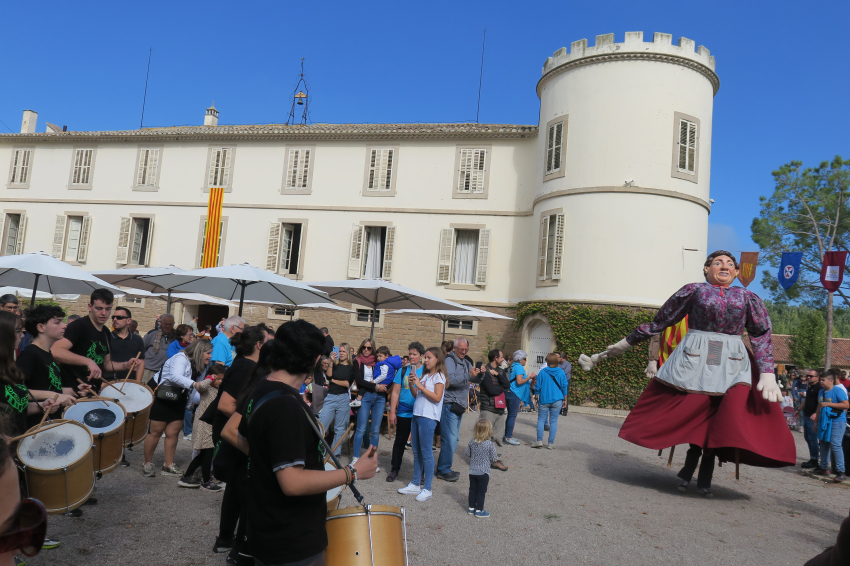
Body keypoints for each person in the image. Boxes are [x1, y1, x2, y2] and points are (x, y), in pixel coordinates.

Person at [585, 250, 795, 497]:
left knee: (723, 423)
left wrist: (768, 373)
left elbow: (761, 335)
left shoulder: (748, 297)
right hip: (696, 360)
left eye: (730, 264)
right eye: (717, 263)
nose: (724, 266)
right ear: (706, 269)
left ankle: (701, 480)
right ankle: (687, 474)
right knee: (693, 417)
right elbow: (659, 323)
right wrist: (623, 344)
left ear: (737, 272)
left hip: (732, 363)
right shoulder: (694, 290)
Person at [233, 320, 378, 566]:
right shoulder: (286, 407)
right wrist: (352, 472)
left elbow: (242, 438)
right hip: (291, 539)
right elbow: (292, 482)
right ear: (312, 360)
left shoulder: (261, 389)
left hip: (267, 528)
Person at [211, 327, 266, 561]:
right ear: (260, 345)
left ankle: (225, 540)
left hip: (232, 434)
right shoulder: (246, 367)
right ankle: (239, 549)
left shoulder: (246, 365)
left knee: (235, 489)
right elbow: (225, 405)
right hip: (233, 435)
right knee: (245, 490)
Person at [142, 339, 213, 477]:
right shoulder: (180, 358)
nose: (210, 356)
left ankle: (168, 465)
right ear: (199, 352)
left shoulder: (201, 366)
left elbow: (196, 388)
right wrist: (195, 385)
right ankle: (147, 463)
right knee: (155, 431)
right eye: (208, 353)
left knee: (173, 432)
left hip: (178, 397)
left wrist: (192, 403)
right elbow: (175, 377)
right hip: (162, 394)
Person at [52, 289, 138, 392]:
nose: (103, 313)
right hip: (73, 390)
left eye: (108, 309)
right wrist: (88, 361)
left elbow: (105, 363)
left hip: (94, 390)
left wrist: (125, 365)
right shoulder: (79, 326)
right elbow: (55, 351)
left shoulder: (106, 332)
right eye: (99, 308)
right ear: (90, 307)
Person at [16, 306, 77, 430]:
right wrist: (55, 395)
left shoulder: (47, 353)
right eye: (57, 322)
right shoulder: (30, 354)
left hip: (52, 422)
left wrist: (70, 391)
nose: (64, 326)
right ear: (41, 327)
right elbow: (17, 391)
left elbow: (43, 384)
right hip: (35, 426)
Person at [398, 346, 447, 502]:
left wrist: (419, 386)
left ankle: (427, 488)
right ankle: (415, 483)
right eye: (425, 357)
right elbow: (416, 394)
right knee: (416, 451)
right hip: (417, 414)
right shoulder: (425, 376)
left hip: (428, 416)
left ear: (437, 359)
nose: (425, 360)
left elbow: (437, 397)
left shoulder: (439, 376)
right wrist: (413, 384)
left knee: (426, 452)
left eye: (429, 357)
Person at [436, 337, 482, 482]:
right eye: (461, 349)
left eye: (466, 349)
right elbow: (450, 381)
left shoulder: (466, 362)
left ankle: (444, 468)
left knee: (454, 439)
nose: (463, 352)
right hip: (450, 404)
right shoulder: (449, 361)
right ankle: (443, 470)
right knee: (449, 439)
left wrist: (480, 374)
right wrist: (469, 375)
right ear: (454, 348)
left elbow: (474, 380)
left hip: (459, 405)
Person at [179, 362, 226, 491]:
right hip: (204, 423)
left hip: (211, 424)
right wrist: (210, 378)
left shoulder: (218, 390)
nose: (220, 381)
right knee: (207, 452)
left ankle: (188, 477)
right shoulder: (207, 388)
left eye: (222, 379)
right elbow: (200, 387)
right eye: (218, 379)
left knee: (204, 454)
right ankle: (206, 481)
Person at [387, 342, 425, 482]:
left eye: (414, 354)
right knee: (400, 441)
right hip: (404, 410)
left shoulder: (426, 371)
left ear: (421, 356)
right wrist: (392, 412)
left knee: (419, 443)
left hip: (420, 411)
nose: (411, 357)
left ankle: (420, 472)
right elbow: (396, 392)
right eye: (410, 354)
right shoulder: (403, 371)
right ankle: (394, 469)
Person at [473, 349, 510, 471]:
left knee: (498, 436)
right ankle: (479, 459)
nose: (503, 359)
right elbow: (491, 390)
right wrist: (502, 388)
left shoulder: (500, 371)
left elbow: (507, 384)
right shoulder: (485, 372)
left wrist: (499, 376)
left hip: (500, 407)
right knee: (484, 436)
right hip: (488, 407)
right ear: (495, 358)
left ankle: (495, 459)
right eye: (501, 357)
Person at [351, 338, 386, 466]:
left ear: (373, 349)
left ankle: (372, 459)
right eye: (364, 347)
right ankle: (355, 457)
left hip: (380, 397)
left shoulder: (379, 361)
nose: (366, 350)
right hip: (365, 396)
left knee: (375, 430)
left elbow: (389, 374)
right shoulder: (357, 361)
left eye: (369, 348)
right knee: (360, 428)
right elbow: (359, 381)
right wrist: (376, 386)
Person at [318, 343, 355, 458]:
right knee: (321, 424)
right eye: (340, 351)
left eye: (343, 351)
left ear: (348, 352)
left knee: (340, 428)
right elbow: (328, 376)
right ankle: (318, 449)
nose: (341, 353)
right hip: (331, 397)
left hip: (343, 398)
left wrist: (332, 380)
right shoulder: (334, 365)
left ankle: (335, 454)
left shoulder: (352, 368)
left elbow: (347, 383)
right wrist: (331, 362)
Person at [812, 371, 848, 481]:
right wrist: (816, 422)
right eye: (821, 380)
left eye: (823, 380)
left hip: (837, 421)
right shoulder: (821, 391)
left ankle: (841, 471)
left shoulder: (838, 391)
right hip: (824, 421)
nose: (821, 382)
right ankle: (823, 467)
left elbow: (846, 404)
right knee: (823, 443)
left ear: (831, 381)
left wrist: (828, 404)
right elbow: (819, 407)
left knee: (835, 445)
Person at [531, 353, 570, 449]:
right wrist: (565, 399)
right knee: (553, 421)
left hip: (544, 399)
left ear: (548, 361)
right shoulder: (561, 372)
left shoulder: (542, 372)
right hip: (557, 399)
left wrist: (536, 397)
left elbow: (538, 387)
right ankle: (550, 443)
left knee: (541, 419)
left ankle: (539, 440)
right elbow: (564, 386)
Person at [465, 419, 499, 518]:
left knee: (472, 490)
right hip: (483, 472)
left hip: (472, 471)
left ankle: (471, 508)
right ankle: (479, 510)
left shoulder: (472, 442)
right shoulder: (490, 444)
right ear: (489, 431)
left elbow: (467, 453)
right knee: (481, 492)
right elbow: (494, 459)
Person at [103, 306, 145, 382]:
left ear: (128, 321)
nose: (115, 319)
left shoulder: (137, 339)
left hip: (130, 383)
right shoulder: (106, 337)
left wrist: (138, 382)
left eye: (119, 317)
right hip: (109, 382)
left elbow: (141, 361)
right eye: (113, 317)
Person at [504, 351, 534, 445]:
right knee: (512, 416)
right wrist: (529, 377)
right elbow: (519, 381)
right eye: (525, 359)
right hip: (514, 393)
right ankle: (508, 437)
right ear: (520, 359)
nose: (526, 360)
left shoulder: (513, 365)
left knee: (510, 415)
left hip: (508, 391)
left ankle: (507, 435)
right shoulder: (520, 367)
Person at [141, 314, 175, 383]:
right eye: (166, 324)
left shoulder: (176, 336)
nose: (167, 326)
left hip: (165, 371)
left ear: (173, 324)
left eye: (170, 324)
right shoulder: (152, 333)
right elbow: (142, 348)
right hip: (148, 370)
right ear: (161, 323)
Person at [800, 370, 822, 469]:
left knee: (813, 439)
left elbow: (821, 403)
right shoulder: (810, 388)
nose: (808, 377)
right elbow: (806, 399)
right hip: (806, 414)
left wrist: (816, 414)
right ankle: (812, 458)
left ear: (817, 377)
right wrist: (799, 409)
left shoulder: (819, 388)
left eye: (811, 376)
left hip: (813, 417)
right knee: (807, 438)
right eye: (807, 376)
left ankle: (815, 459)